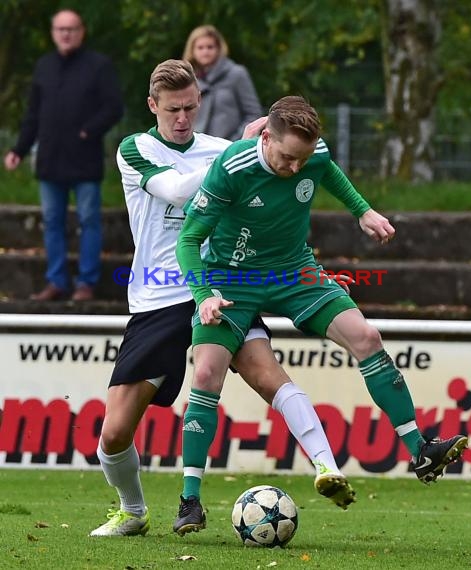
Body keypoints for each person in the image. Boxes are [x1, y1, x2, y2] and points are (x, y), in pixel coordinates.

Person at [173, 95, 469, 534]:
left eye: (303, 158)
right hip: (232, 279)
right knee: (205, 375)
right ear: (266, 136)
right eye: (288, 157)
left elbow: (329, 171)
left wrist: (363, 211)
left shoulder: (313, 154)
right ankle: (190, 501)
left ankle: (420, 448)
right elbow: (188, 239)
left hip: (295, 272)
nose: (296, 168)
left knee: (366, 337)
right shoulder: (232, 169)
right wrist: (203, 295)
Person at [89, 60, 355, 538]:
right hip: (158, 297)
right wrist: (242, 148)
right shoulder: (136, 148)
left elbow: (300, 164)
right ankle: (132, 510)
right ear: (154, 106)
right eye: (173, 109)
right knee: (113, 433)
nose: (183, 118)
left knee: (266, 373)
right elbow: (173, 189)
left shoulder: (221, 148)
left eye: (192, 107)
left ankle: (326, 465)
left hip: (221, 288)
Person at [3, 9, 123, 301]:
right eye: (60, 29)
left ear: (81, 31)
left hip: (85, 160)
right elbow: (33, 114)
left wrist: (88, 131)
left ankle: (86, 283)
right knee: (53, 222)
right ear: (53, 33)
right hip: (50, 160)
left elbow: (113, 107)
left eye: (71, 29)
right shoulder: (44, 66)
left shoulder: (98, 66)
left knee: (89, 221)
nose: (66, 34)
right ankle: (56, 281)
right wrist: (19, 149)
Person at [182, 25, 262, 141]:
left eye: (210, 47)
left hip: (231, 146)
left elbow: (253, 114)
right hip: (198, 149)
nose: (205, 52)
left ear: (219, 49)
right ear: (192, 50)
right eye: (200, 48)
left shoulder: (236, 74)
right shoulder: (187, 79)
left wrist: (237, 142)